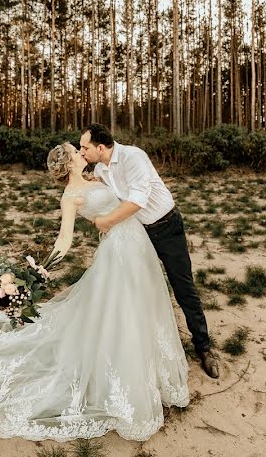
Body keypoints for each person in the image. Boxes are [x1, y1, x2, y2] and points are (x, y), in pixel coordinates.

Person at [0, 142, 189, 442]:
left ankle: (150, 368)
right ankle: (123, 376)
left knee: (142, 303)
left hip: (137, 243)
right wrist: (42, 268)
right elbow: (64, 240)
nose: (82, 153)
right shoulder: (71, 197)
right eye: (77, 152)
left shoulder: (97, 178)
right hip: (118, 252)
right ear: (70, 163)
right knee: (121, 309)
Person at [79, 123, 219, 379]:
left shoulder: (134, 157)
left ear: (100, 147)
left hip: (167, 227)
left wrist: (105, 222)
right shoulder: (100, 168)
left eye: (84, 148)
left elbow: (136, 201)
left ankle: (204, 348)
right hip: (138, 234)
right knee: (139, 288)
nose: (81, 153)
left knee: (183, 287)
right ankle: (145, 350)